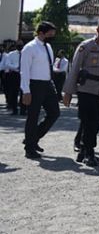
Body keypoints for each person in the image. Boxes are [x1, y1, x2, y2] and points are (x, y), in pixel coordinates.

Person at [62, 18, 99, 166]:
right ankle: (89, 153)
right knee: (89, 122)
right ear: (98, 31)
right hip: (87, 90)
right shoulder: (86, 46)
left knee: (96, 122)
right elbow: (74, 70)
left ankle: (84, 149)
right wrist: (68, 92)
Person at [20, 21, 60, 159]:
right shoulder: (29, 48)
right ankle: (29, 148)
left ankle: (33, 137)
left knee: (54, 112)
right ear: (41, 33)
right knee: (33, 116)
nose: (52, 36)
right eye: (50, 33)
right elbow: (24, 71)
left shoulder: (48, 46)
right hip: (34, 85)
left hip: (47, 85)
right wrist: (26, 90)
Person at [3, 41, 22, 115]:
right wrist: (16, 67)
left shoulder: (25, 53)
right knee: (14, 92)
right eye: (19, 45)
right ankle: (14, 109)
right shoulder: (11, 54)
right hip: (14, 74)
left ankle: (23, 109)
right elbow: (7, 64)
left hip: (24, 74)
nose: (20, 47)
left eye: (21, 45)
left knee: (24, 92)